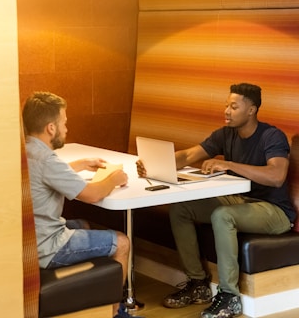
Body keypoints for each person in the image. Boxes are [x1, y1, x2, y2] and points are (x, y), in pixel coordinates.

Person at [136, 83, 296, 318]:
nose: (227, 111)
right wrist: (155, 164)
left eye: (233, 106)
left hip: (274, 211)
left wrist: (229, 164)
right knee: (182, 209)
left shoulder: (271, 136)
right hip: (241, 200)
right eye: (226, 105)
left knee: (222, 216)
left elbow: (276, 176)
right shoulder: (226, 134)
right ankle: (198, 284)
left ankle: (229, 296)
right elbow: (189, 155)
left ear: (251, 110)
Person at [22, 92, 143, 318]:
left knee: (83, 224)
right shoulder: (47, 160)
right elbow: (92, 195)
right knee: (121, 242)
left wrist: (81, 164)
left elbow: (48, 173)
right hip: (48, 246)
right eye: (64, 124)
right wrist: (114, 178)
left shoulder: (25, 150)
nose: (66, 129)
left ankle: (93, 300)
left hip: (29, 240)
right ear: (51, 128)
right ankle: (116, 312)